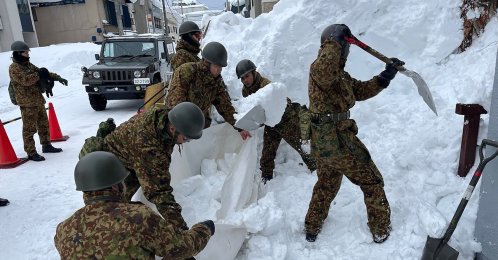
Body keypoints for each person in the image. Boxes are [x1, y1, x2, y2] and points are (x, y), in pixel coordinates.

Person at [304, 24, 405, 243]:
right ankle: (380, 228)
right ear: (331, 47)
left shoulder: (341, 77)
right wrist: (334, 41)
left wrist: (385, 76)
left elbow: (360, 90)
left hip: (325, 141)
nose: (344, 51)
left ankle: (311, 228)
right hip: (336, 140)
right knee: (372, 180)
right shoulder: (319, 71)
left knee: (327, 184)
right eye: (341, 47)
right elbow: (324, 70)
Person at [54, 151, 214, 259]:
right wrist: (204, 229)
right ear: (116, 186)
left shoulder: (63, 230)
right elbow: (181, 247)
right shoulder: (139, 217)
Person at [79, 102, 205, 230]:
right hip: (110, 168)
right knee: (111, 210)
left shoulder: (165, 115)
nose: (187, 142)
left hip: (130, 157)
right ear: (172, 129)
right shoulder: (149, 147)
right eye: (186, 138)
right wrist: (182, 230)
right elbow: (159, 192)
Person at [236, 59, 316, 183]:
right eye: (242, 78)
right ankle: (266, 178)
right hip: (271, 123)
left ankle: (318, 170)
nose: (245, 80)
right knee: (267, 154)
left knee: (302, 146)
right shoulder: (245, 91)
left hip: (285, 119)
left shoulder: (266, 85)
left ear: (253, 73)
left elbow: (276, 105)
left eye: (246, 76)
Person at [166, 41, 252, 140]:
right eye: (216, 66)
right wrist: (181, 129)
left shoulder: (217, 83)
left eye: (220, 67)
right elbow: (175, 102)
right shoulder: (187, 72)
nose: (219, 70)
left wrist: (239, 128)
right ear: (206, 63)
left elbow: (225, 107)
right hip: (178, 125)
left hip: (197, 126)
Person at [8, 41, 68, 162]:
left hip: (37, 100)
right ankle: (31, 152)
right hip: (27, 103)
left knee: (43, 125)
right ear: (19, 53)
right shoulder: (14, 68)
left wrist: (57, 77)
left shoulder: (28, 64)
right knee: (29, 129)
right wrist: (38, 74)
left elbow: (42, 72)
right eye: (25, 52)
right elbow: (25, 80)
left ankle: (46, 145)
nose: (27, 53)